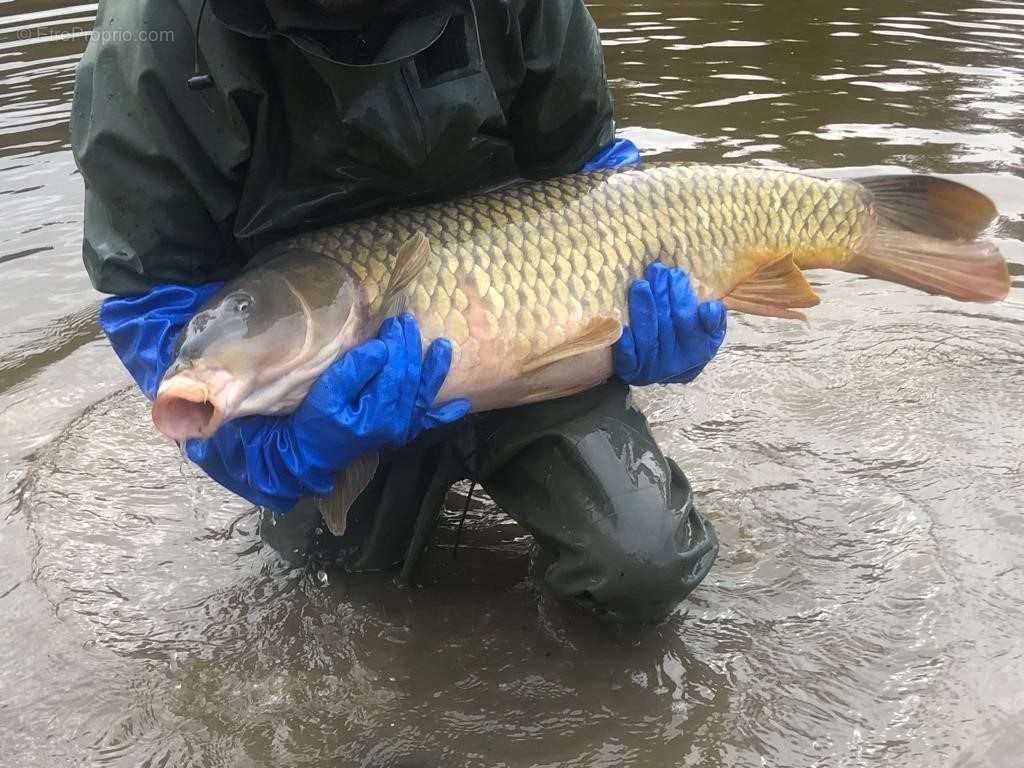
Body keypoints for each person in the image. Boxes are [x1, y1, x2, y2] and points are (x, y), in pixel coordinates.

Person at [70, 0, 728, 623]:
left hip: (520, 309)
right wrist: (272, 451)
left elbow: (590, 175)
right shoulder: (152, 39)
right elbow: (152, 293)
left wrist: (649, 297)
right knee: (334, 601)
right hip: (316, 376)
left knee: (642, 565)